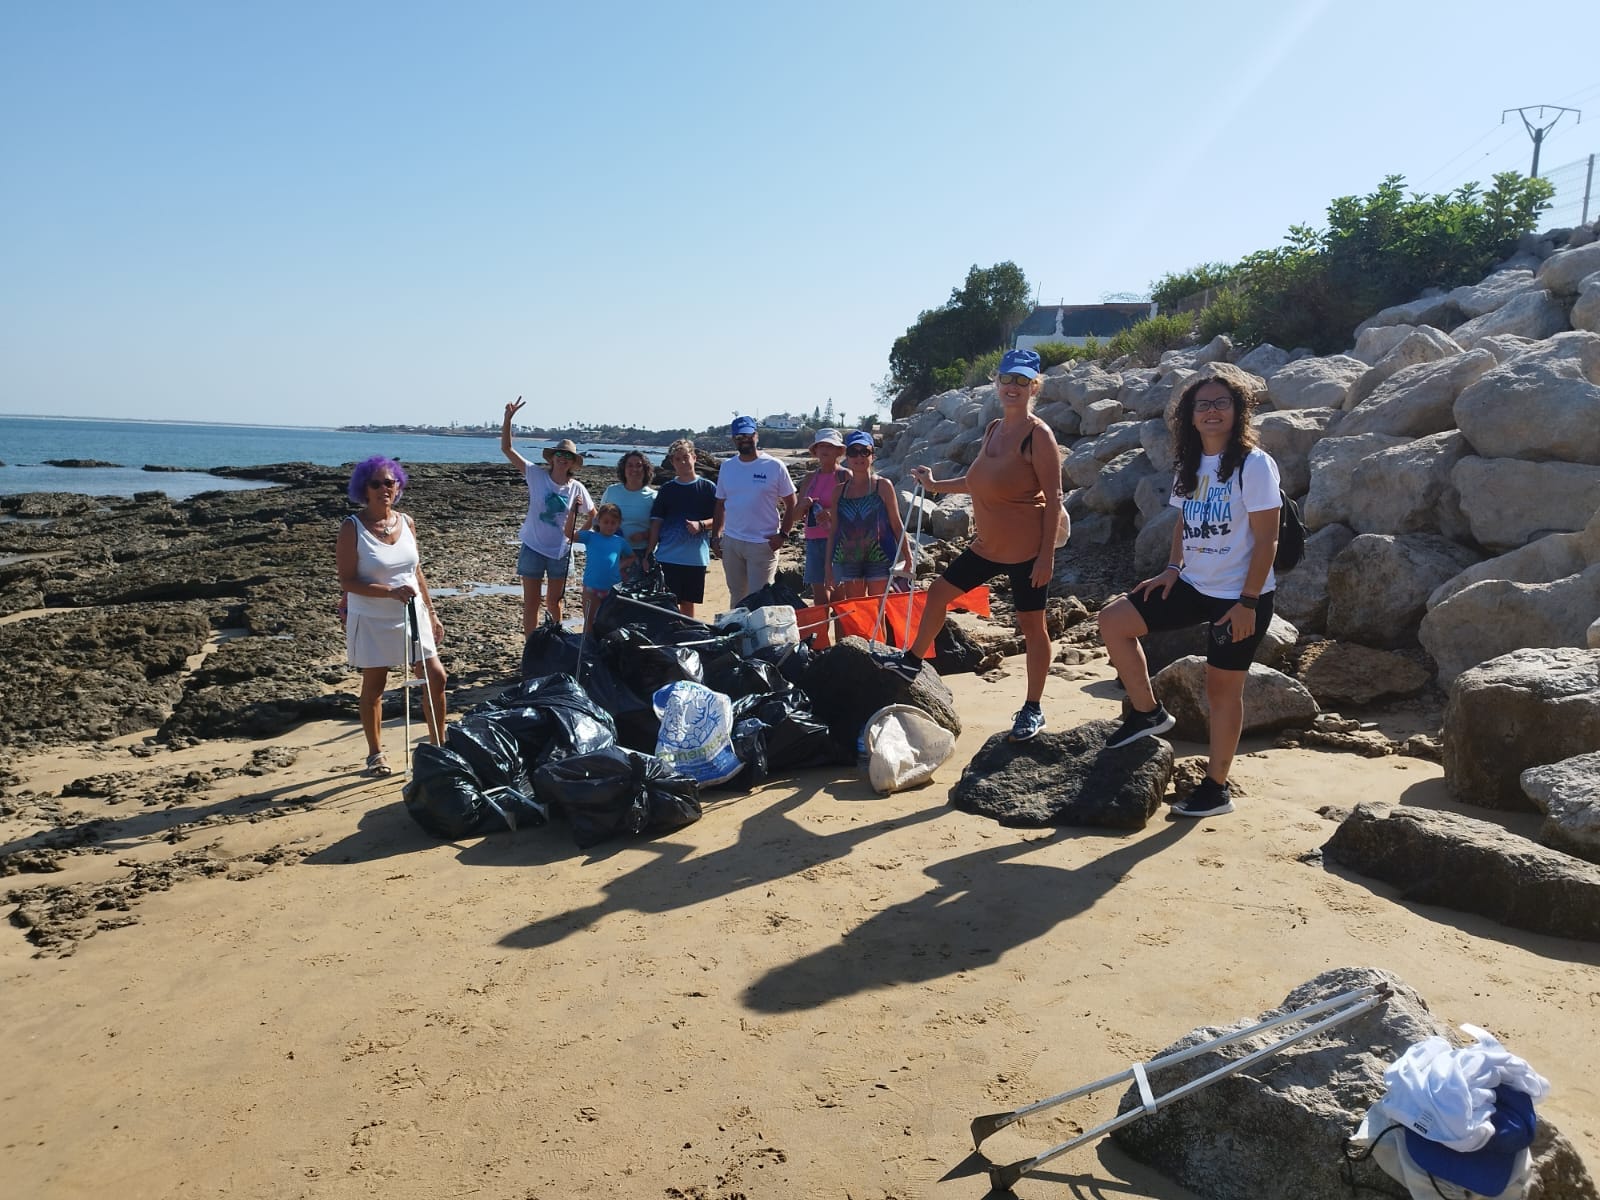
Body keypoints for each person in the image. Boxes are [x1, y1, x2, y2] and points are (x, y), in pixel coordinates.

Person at [1095, 363, 1281, 819]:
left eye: (1222, 403)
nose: (1212, 411)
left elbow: (1268, 540)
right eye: (1203, 405)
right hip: (1194, 584)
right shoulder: (1191, 463)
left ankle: (1216, 788)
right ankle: (1148, 713)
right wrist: (1172, 568)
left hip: (1240, 596)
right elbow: (1184, 521)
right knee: (1113, 621)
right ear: (1190, 416)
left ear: (1238, 411)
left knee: (1222, 691)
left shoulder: (1254, 465)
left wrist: (1248, 603)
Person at [879, 348, 1063, 743]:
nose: (1013, 386)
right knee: (938, 593)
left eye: (1022, 380)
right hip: (987, 546)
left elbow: (1055, 497)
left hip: (1027, 552)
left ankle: (1033, 707)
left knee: (1033, 627)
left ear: (1034, 387)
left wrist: (1046, 557)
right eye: (1007, 378)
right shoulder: (994, 428)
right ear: (997, 382)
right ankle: (913, 660)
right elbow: (978, 482)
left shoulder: (1038, 435)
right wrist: (935, 485)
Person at [335, 456, 448, 775]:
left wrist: (432, 612)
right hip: (372, 616)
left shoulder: (407, 522)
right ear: (364, 489)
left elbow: (416, 570)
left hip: (412, 611)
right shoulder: (352, 528)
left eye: (389, 482)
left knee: (436, 677)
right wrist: (389, 591)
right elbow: (347, 581)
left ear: (398, 486)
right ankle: (375, 754)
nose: (383, 488)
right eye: (376, 483)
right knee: (375, 685)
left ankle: (439, 745)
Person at [502, 397, 594, 633]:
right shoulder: (536, 475)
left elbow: (593, 514)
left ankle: (553, 643)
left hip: (560, 552)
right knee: (531, 604)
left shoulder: (576, 488)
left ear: (573, 463)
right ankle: (531, 646)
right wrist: (508, 419)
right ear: (552, 458)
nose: (563, 459)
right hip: (533, 547)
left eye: (568, 456)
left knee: (555, 603)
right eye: (559, 454)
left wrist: (575, 536)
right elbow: (507, 449)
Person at [712, 416, 796, 607]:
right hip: (732, 542)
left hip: (762, 543)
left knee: (761, 598)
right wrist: (715, 537)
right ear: (734, 439)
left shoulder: (774, 466)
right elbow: (720, 504)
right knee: (737, 597)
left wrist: (783, 535)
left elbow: (791, 503)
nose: (745, 440)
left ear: (756, 436)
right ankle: (737, 628)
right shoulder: (727, 467)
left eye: (748, 435)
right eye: (739, 436)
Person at [824, 430, 908, 607]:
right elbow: (834, 531)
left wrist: (908, 558)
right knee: (858, 610)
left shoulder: (883, 486)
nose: (859, 457)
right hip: (849, 559)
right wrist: (828, 566)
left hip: (880, 558)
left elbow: (896, 524)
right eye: (853, 452)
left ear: (873, 456)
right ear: (847, 457)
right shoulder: (839, 491)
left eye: (864, 451)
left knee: (878, 611)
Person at [647, 438, 718, 617]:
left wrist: (701, 525)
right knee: (666, 604)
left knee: (687, 604)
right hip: (667, 557)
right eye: (678, 459)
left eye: (686, 457)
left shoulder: (708, 488)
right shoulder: (667, 490)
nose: (683, 462)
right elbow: (656, 523)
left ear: (694, 458)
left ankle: (686, 633)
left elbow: (721, 518)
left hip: (695, 559)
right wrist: (649, 552)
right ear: (672, 462)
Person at [781, 428, 849, 609]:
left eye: (830, 446)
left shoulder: (844, 475)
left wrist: (830, 512)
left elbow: (854, 509)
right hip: (813, 541)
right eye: (821, 446)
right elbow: (795, 516)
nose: (825, 450)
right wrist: (803, 506)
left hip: (839, 541)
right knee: (819, 599)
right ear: (815, 450)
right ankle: (822, 629)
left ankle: (842, 629)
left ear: (838, 451)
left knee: (839, 598)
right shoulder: (810, 478)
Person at [567, 502, 635, 629]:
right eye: (606, 522)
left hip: (612, 589)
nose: (609, 526)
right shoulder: (590, 537)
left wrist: (621, 565)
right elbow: (569, 533)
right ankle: (588, 640)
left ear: (619, 523)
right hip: (591, 588)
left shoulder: (620, 541)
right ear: (598, 521)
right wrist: (573, 511)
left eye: (613, 523)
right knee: (589, 622)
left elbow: (631, 556)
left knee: (611, 623)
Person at [601, 451, 657, 582]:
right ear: (623, 469)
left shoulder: (653, 497)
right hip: (612, 552)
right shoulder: (612, 491)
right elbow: (598, 521)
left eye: (639, 465)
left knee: (635, 594)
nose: (634, 469)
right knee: (608, 593)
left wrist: (644, 535)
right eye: (630, 465)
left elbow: (660, 529)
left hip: (640, 554)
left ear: (645, 469)